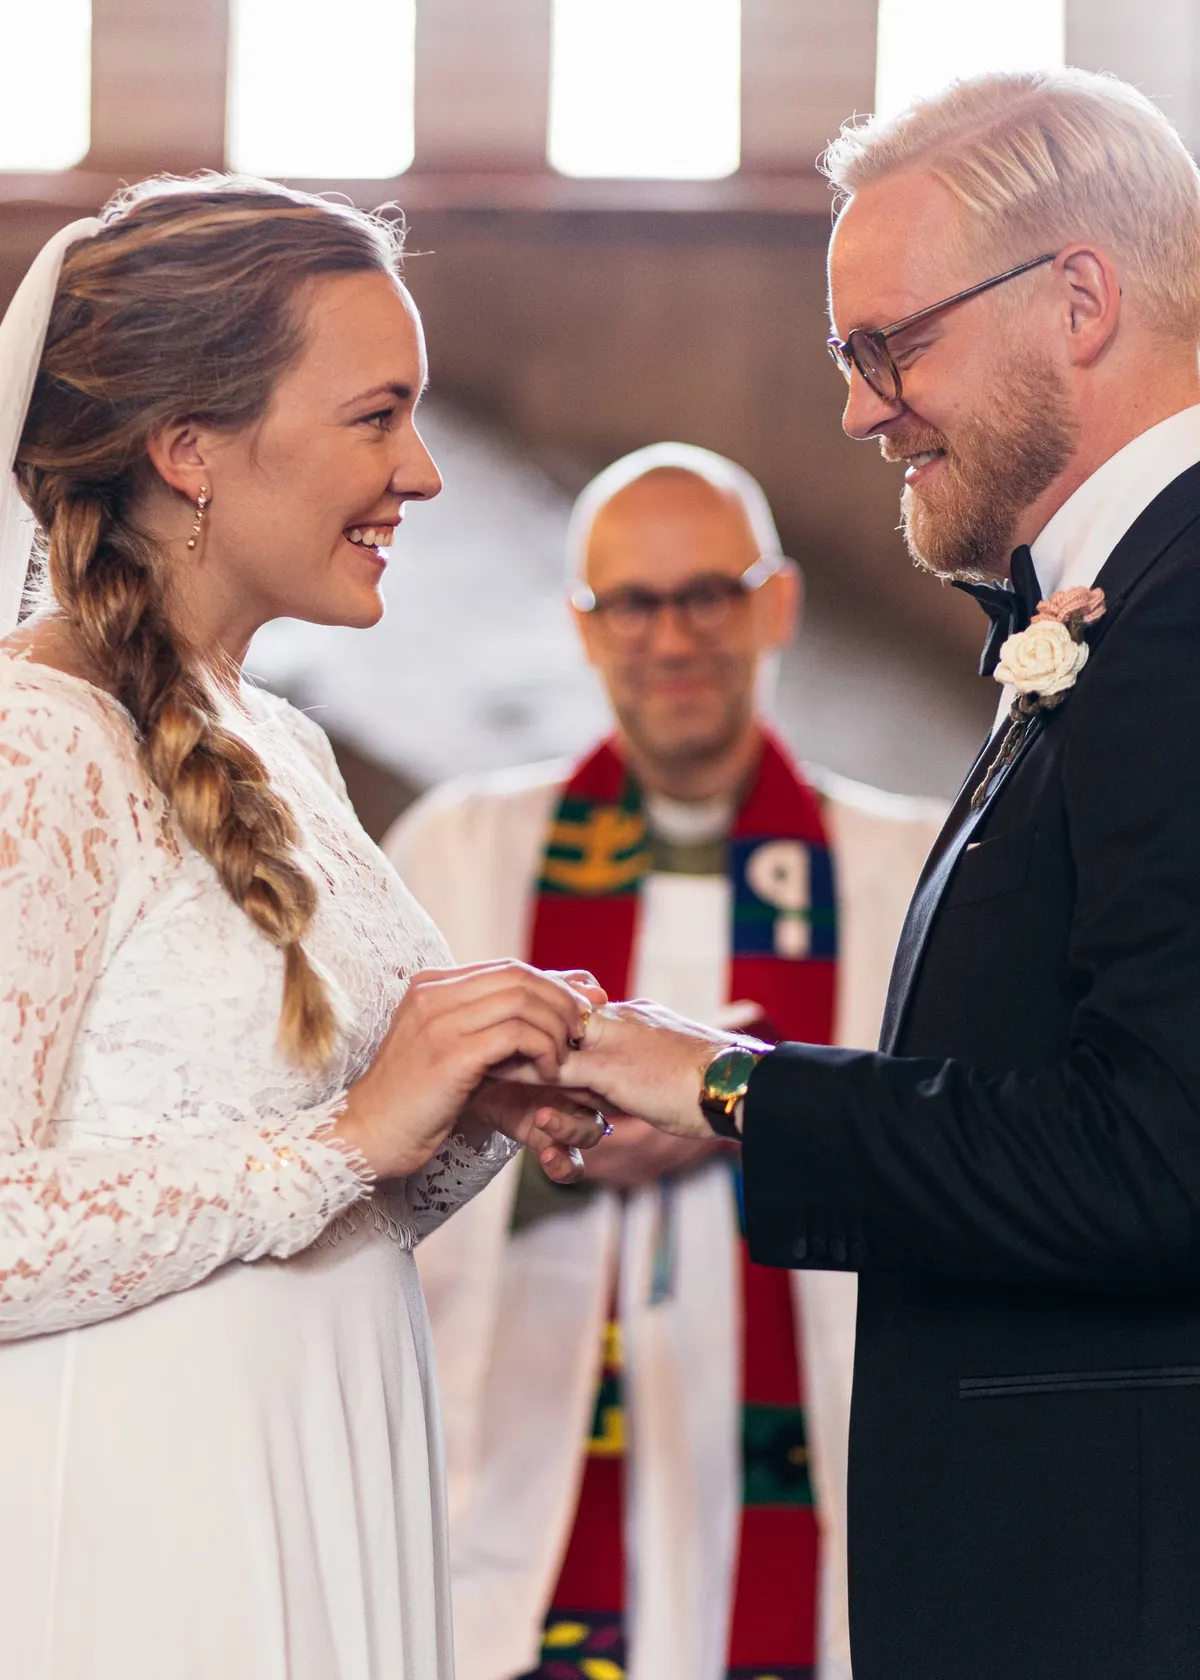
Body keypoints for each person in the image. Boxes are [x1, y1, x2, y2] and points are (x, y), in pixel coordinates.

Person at [528, 69, 1200, 1680]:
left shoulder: (1183, 626)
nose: (858, 408)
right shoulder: (1115, 614)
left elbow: (1161, 1155)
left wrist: (735, 1090)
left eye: (887, 344)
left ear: (1081, 301)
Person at [0, 174, 609, 1680]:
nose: (426, 472)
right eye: (376, 416)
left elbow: (338, 1194)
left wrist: (475, 1106)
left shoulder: (283, 744)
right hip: (151, 1520)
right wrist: (340, 1143)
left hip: (333, 1460)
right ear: (190, 450)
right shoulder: (32, 749)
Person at [386, 443, 944, 1680]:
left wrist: (736, 1115)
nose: (673, 635)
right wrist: (556, 1151)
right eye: (632, 602)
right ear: (584, 628)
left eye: (710, 592)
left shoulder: (904, 871)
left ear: (777, 603)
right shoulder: (460, 852)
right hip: (526, 1455)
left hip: (818, 1456)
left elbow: (948, 1160)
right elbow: (363, 1151)